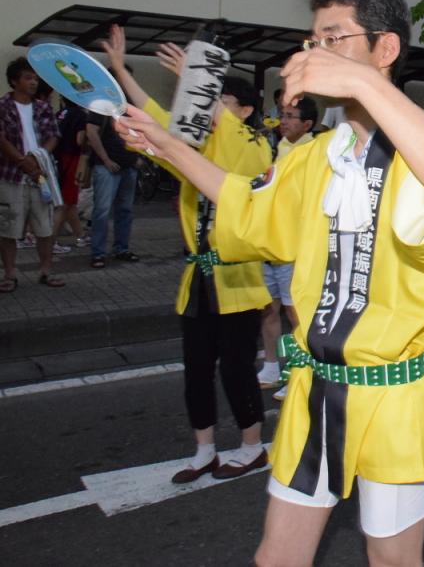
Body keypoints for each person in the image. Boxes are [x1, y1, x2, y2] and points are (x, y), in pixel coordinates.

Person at [115, 0, 424, 567]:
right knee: (276, 558)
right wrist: (166, 146)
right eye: (313, 41)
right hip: (314, 387)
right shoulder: (315, 156)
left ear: (386, 48)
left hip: (394, 395)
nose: (315, 53)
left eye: (333, 38)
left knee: (393, 561)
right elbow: (248, 209)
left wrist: (361, 82)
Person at [102, 25, 273, 485]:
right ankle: (203, 451)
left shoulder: (256, 145)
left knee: (236, 369)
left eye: (223, 101)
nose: (208, 107)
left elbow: (233, 150)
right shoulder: (192, 148)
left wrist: (200, 80)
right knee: (196, 370)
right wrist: (120, 70)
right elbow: (155, 117)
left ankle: (252, 446)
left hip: (238, 281)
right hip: (197, 280)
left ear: (244, 110)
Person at [257, 95, 319, 400]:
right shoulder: (278, 147)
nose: (283, 121)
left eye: (291, 116)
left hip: (295, 248)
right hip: (270, 243)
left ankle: (298, 373)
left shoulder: (313, 152)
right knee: (269, 308)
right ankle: (271, 366)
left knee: (296, 315)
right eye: (282, 114)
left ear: (307, 124)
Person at [0, 57, 65, 291]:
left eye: (35, 78)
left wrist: (37, 158)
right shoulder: (3, 106)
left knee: (44, 227)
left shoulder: (42, 107)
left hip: (40, 175)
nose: (34, 82)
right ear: (14, 81)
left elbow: (53, 135)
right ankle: (10, 274)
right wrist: (21, 160)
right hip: (11, 176)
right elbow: (1, 139)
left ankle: (46, 271)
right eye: (28, 78)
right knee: (8, 228)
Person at [86, 68, 141, 269]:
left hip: (129, 164)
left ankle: (121, 248)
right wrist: (106, 159)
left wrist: (139, 157)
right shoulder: (100, 104)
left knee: (124, 210)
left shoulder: (131, 104)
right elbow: (91, 132)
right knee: (102, 210)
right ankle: (98, 252)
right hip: (106, 166)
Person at [52, 98, 90, 248]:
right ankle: (51, 242)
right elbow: (80, 140)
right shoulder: (81, 115)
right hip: (72, 160)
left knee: (70, 203)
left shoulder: (60, 113)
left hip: (57, 158)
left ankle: (80, 236)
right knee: (65, 204)